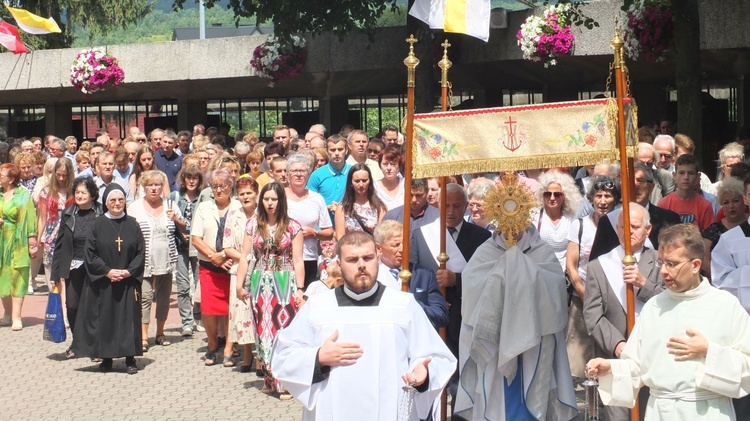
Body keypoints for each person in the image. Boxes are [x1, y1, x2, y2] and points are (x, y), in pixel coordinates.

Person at [271, 231, 457, 420]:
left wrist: (423, 373)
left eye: (367, 258)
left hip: (389, 411)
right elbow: (283, 356)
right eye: (352, 259)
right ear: (339, 263)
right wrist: (318, 358)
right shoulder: (318, 306)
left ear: (377, 256)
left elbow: (438, 358)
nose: (361, 265)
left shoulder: (404, 305)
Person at [587, 224, 750, 421]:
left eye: (672, 264)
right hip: (660, 412)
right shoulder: (654, 306)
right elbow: (637, 364)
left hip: (708, 412)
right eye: (661, 263)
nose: (664, 271)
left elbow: (747, 366)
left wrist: (709, 351)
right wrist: (611, 368)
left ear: (696, 265)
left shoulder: (726, 305)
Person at [455, 207, 578, 420]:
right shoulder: (485, 252)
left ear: (524, 220)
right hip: (495, 344)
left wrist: (519, 268)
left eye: (516, 221)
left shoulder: (542, 251)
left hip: (534, 342)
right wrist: (504, 273)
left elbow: (555, 289)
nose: (511, 227)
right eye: (505, 221)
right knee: (495, 404)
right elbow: (472, 285)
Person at [410, 182, 491, 412]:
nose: (451, 211)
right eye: (446, 206)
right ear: (436, 204)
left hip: (466, 316)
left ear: (466, 206)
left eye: (457, 206)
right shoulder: (421, 235)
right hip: (433, 318)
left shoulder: (481, 237)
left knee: (463, 379)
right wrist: (432, 296)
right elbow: (415, 274)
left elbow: (488, 276)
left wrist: (457, 279)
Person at [583, 203, 665, 421]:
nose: (627, 232)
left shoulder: (661, 260)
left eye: (635, 226)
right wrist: (618, 345)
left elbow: (673, 302)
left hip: (654, 353)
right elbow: (592, 315)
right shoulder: (599, 266)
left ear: (648, 230)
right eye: (622, 226)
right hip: (615, 355)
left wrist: (644, 283)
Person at [235, 182, 304, 399]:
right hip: (260, 282)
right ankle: (268, 378)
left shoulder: (293, 226)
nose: (270, 203)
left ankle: (282, 382)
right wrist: (240, 284)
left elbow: (298, 259)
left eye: (274, 199)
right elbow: (246, 257)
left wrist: (300, 289)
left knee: (282, 333)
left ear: (281, 200)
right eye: (266, 199)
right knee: (263, 333)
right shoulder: (252, 225)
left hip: (284, 282)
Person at [72, 184, 145, 374]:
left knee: (128, 320)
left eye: (120, 200)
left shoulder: (133, 224)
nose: (117, 203)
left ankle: (130, 359)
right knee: (106, 319)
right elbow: (90, 254)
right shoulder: (97, 224)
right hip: (105, 282)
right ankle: (106, 359)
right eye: (113, 200)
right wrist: (107, 271)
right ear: (106, 203)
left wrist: (129, 272)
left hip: (127, 281)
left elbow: (140, 253)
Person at [564, 175, 620, 380]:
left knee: (607, 349)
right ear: (591, 199)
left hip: (612, 297)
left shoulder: (619, 225)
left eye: (608, 196)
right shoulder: (579, 225)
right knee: (580, 357)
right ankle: (590, 404)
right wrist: (584, 293)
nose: (603, 201)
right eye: (598, 196)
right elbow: (571, 264)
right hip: (583, 297)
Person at [191, 168, 241, 366]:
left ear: (231, 187)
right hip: (209, 266)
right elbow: (196, 238)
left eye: (224, 186)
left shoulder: (238, 206)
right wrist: (215, 257)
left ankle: (229, 347)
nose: (219, 190)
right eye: (215, 186)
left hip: (233, 265)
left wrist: (225, 256)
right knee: (209, 309)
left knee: (232, 308)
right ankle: (212, 345)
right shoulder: (204, 207)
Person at [51, 177, 103, 358]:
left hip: (95, 267)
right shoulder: (68, 213)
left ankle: (95, 346)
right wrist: (55, 274)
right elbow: (59, 246)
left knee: (93, 308)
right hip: (73, 266)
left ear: (92, 195)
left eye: (84, 192)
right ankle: (77, 341)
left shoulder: (101, 212)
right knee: (72, 306)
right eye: (78, 192)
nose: (80, 196)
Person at [128, 170, 180, 352]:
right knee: (145, 297)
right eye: (150, 185)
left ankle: (160, 332)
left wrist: (177, 218)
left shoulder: (171, 204)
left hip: (166, 257)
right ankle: (144, 336)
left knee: (164, 298)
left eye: (157, 185)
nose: (154, 188)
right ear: (144, 187)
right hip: (144, 259)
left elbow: (184, 226)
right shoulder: (134, 207)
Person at [373, 220, 449, 330]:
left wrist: (413, 304)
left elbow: (441, 316)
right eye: (396, 245)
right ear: (379, 248)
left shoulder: (424, 274)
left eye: (405, 243)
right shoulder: (371, 275)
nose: (402, 250)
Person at [223, 175, 259, 371]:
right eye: (242, 194)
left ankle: (261, 357)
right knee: (241, 313)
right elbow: (227, 247)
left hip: (262, 268)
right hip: (239, 269)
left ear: (256, 194)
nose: (245, 197)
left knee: (259, 313)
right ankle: (247, 354)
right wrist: (246, 258)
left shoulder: (263, 214)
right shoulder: (233, 215)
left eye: (249, 193)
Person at [285, 154, 333, 288]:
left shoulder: (317, 199)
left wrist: (314, 233)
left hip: (309, 258)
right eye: (295, 171)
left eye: (303, 171)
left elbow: (329, 232)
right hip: (283, 259)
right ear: (288, 174)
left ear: (308, 174)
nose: (299, 175)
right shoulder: (278, 196)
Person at [0, 163, 38, 330]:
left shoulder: (23, 194)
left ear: (11, 178)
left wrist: (32, 241)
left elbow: (30, 217)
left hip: (18, 242)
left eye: (2, 175)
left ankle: (16, 317)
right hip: (2, 241)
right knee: (3, 277)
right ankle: (7, 314)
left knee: (18, 277)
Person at [169, 164, 204, 336]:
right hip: (180, 246)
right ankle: (186, 322)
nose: (191, 180)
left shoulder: (203, 198)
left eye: (195, 177)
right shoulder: (175, 197)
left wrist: (190, 231)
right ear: (183, 179)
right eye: (188, 177)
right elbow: (169, 220)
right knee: (182, 286)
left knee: (200, 284)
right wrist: (181, 230)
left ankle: (199, 317)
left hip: (198, 247)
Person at [536, 171, 582, 271]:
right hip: (542, 271)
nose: (552, 198)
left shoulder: (572, 218)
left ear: (565, 196)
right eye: (548, 194)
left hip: (566, 273)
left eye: (557, 194)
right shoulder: (535, 217)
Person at [702, 177, 747, 278]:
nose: (731, 206)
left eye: (735, 201)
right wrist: (719, 278)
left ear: (744, 201)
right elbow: (704, 258)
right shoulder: (714, 230)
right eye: (726, 202)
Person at [658, 154, 715, 230]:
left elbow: (710, 236)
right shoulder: (664, 203)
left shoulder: (705, 205)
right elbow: (659, 234)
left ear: (698, 177)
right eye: (682, 173)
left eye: (691, 173)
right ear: (674, 175)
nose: (686, 177)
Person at [334, 163, 386, 240]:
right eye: (357, 181)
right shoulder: (342, 208)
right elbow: (340, 238)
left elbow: (382, 237)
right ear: (351, 183)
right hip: (350, 249)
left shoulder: (379, 207)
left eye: (364, 180)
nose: (361, 184)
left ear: (370, 181)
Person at [308, 134, 352, 206]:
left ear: (346, 150)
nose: (337, 153)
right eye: (333, 150)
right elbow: (309, 201)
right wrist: (325, 209)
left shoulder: (354, 172)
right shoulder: (317, 175)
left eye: (340, 149)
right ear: (327, 151)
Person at [373, 146, 404, 211]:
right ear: (380, 165)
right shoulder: (374, 187)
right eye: (385, 164)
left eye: (393, 164)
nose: (389, 168)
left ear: (399, 166)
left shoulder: (406, 185)